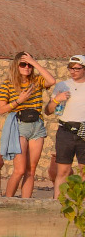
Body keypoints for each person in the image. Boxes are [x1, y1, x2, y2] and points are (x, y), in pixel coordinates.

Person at [0, 52, 55, 198]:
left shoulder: (36, 81)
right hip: (20, 125)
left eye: (29, 65)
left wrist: (34, 62)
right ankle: (8, 201)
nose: (27, 67)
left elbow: (51, 81)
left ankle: (26, 202)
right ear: (17, 65)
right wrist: (19, 101)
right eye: (23, 64)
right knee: (20, 169)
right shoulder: (8, 84)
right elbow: (1, 109)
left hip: (37, 126)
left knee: (31, 169)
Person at [47, 55, 85, 195]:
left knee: (84, 171)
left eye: (77, 69)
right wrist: (57, 100)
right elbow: (48, 111)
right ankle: (57, 206)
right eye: (70, 68)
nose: (73, 72)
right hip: (65, 131)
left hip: (83, 130)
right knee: (63, 171)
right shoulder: (62, 85)